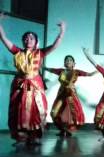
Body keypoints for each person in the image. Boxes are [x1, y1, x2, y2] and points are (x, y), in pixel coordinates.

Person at [0, 15, 66, 146]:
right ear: (23, 41)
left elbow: (54, 46)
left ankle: (34, 137)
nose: (28, 39)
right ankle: (21, 137)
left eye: (31, 38)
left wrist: (62, 32)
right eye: (26, 38)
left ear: (35, 41)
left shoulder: (40, 53)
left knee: (36, 111)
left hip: (35, 86)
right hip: (20, 85)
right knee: (19, 111)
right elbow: (3, 38)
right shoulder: (17, 51)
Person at [44, 55, 96, 137]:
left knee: (74, 113)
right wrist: (41, 66)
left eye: (70, 60)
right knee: (54, 113)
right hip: (61, 94)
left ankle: (69, 129)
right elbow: (48, 69)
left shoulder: (76, 72)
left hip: (71, 94)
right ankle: (63, 130)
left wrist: (99, 69)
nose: (68, 61)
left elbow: (90, 74)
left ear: (73, 63)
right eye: (66, 60)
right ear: (64, 63)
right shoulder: (61, 71)